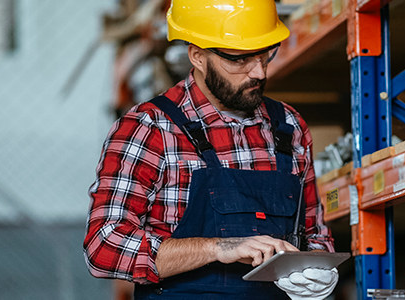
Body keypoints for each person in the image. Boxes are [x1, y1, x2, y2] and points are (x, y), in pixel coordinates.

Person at [84, 0, 338, 299]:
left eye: (266, 54)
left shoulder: (289, 127)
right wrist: (218, 248)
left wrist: (318, 269)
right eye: (239, 59)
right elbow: (104, 246)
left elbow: (315, 234)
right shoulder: (150, 128)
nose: (258, 72)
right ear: (198, 56)